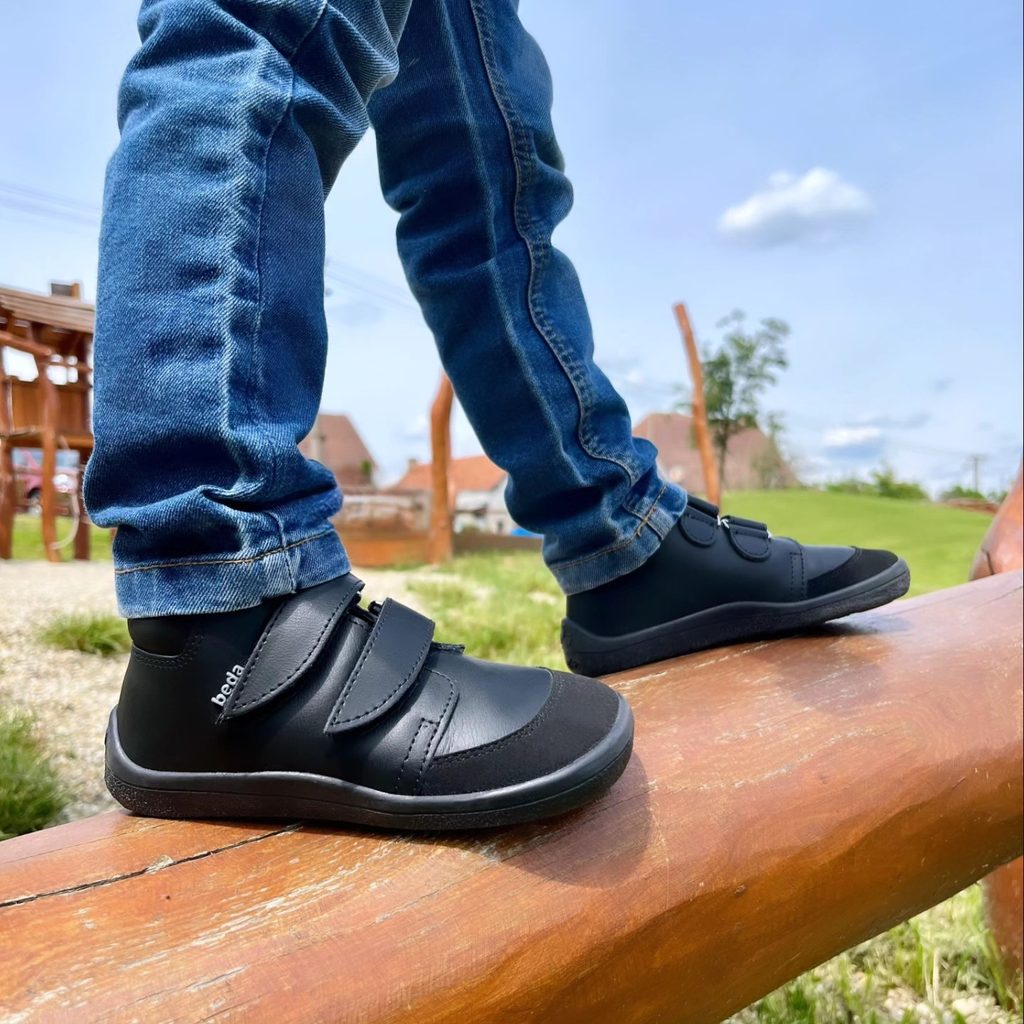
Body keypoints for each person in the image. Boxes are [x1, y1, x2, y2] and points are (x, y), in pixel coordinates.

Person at [87, 0, 909, 831]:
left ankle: (616, 539)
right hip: (224, 636)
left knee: (486, 165)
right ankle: (220, 614)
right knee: (269, 29)